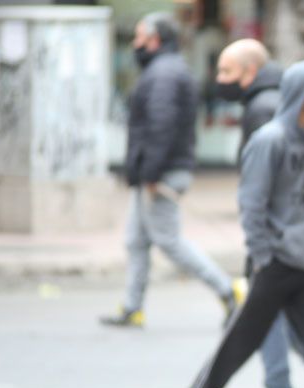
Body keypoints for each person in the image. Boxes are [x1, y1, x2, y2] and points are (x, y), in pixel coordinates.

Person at [173, 60, 304, 388]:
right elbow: (251, 202)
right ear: (301, 95)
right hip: (274, 264)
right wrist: (263, 256)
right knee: (237, 346)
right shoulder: (269, 139)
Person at [101, 12, 239, 328]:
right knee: (136, 240)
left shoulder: (163, 74)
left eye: (139, 38)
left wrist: (150, 173)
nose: (135, 44)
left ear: (155, 40)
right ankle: (133, 307)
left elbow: (161, 127)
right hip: (157, 170)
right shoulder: (166, 69)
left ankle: (227, 289)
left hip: (160, 172)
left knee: (169, 240)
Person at [215, 38, 303, 388]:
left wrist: (260, 243)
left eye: (226, 72)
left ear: (250, 72)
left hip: (272, 233)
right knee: (291, 309)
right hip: (287, 230)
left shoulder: (262, 108)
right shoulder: (276, 100)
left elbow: (261, 184)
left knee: (266, 314)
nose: (220, 80)